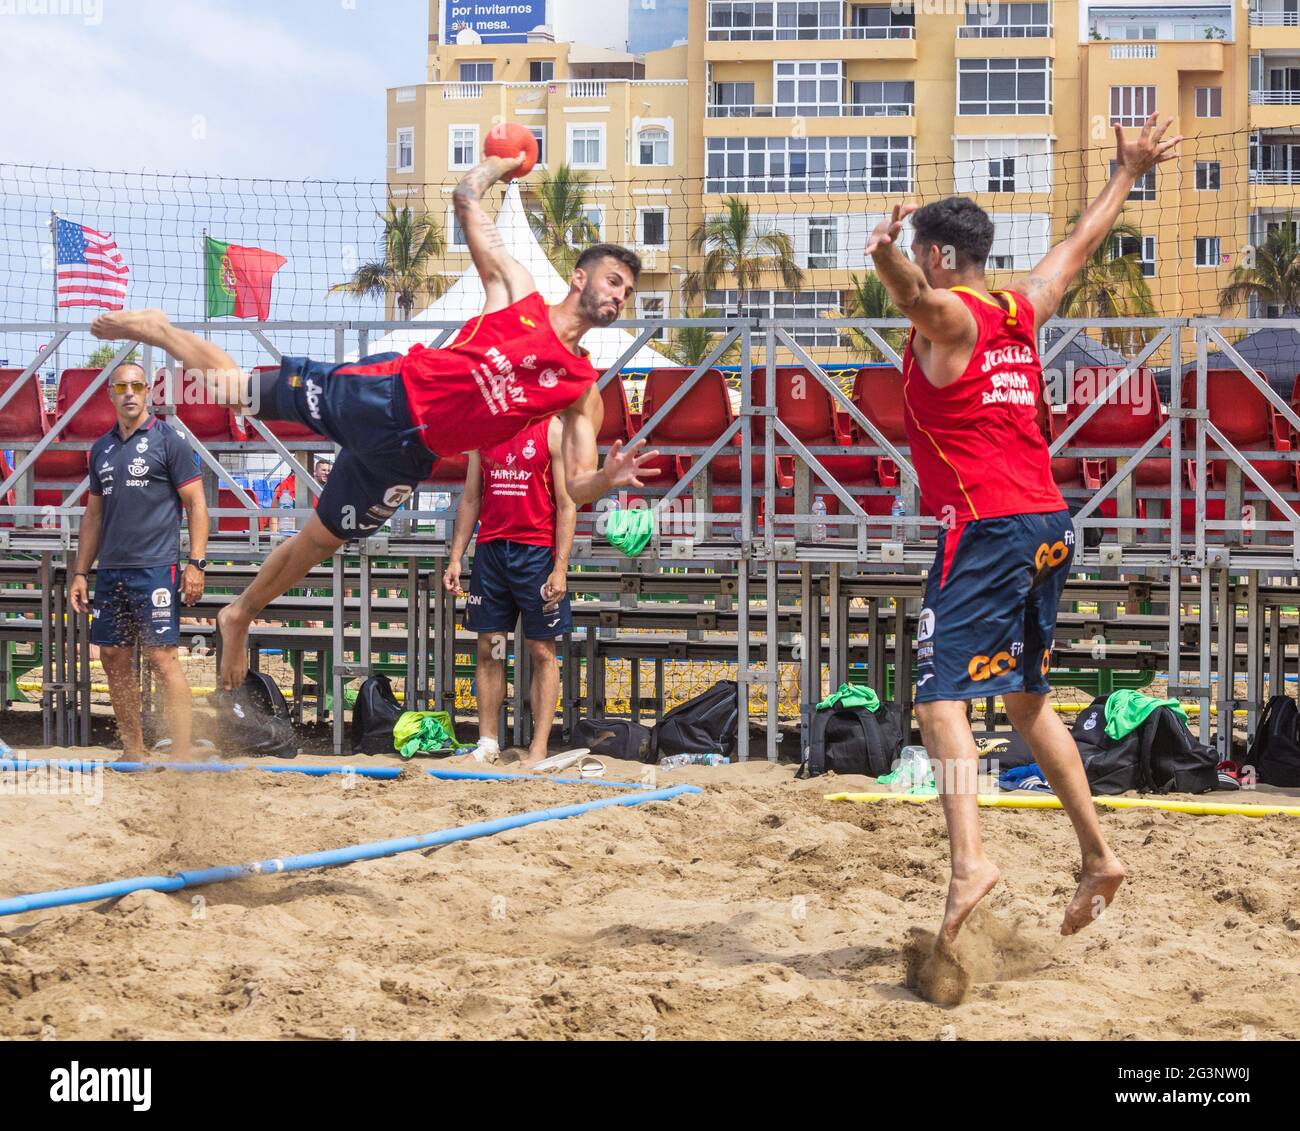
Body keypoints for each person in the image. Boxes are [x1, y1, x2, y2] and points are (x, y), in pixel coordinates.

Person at [89, 150, 659, 691]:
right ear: (581, 277)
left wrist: (607, 480)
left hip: (409, 455)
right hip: (385, 397)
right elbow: (465, 196)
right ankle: (160, 329)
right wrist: (500, 166)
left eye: (628, 293)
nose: (620, 296)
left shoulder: (584, 390)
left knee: (321, 540)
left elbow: (576, 487)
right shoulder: (519, 294)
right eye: (614, 281)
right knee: (236, 392)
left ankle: (238, 614)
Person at [864, 115, 1181, 948]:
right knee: (1028, 699)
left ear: (938, 255)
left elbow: (910, 298)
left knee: (938, 702)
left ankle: (968, 859)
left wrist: (882, 253)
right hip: (1046, 520)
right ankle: (1098, 853)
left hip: (986, 525)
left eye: (923, 257)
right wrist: (1126, 172)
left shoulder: (956, 319)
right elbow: (1080, 240)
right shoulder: (1021, 305)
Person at [67, 362, 210, 761]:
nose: (129, 393)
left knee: (162, 658)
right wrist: (81, 571)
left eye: (137, 386)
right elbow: (93, 516)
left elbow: (197, 505)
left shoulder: (170, 441)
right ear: (111, 394)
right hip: (111, 570)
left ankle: (182, 753)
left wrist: (196, 563)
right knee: (112, 657)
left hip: (156, 568)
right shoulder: (102, 449)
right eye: (121, 387)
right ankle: (134, 750)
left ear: (148, 392)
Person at [444, 416, 574, 769]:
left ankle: (539, 748)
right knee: (491, 648)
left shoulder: (551, 428)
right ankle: (488, 743)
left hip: (535, 554)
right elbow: (471, 499)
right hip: (491, 553)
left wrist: (560, 568)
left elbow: (566, 503)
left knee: (541, 650)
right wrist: (457, 557)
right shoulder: (483, 427)